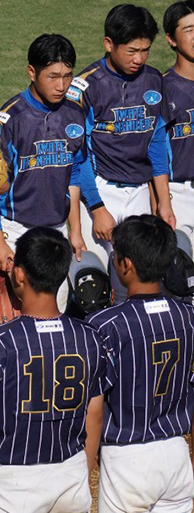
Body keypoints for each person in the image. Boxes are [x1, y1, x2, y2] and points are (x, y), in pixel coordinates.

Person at [0, 227, 110, 513]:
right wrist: (81, 474)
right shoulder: (90, 337)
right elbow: (95, 415)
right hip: (71, 472)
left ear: (19, 274)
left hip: (14, 484)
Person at [0, 33, 106, 310]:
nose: (61, 85)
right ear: (31, 72)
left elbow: (74, 173)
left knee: (55, 312)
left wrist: (74, 231)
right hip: (15, 231)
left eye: (67, 76)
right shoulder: (10, 119)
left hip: (56, 232)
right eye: (52, 76)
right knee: (12, 320)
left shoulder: (74, 113)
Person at [87, 215, 194, 512]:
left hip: (127, 459)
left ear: (127, 265)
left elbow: (93, 406)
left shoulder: (104, 324)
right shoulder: (188, 317)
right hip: (176, 454)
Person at [70, 4, 174, 304]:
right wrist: (98, 207)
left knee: (137, 287)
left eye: (145, 50)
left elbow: (156, 142)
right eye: (131, 50)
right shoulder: (86, 86)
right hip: (100, 189)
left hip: (140, 193)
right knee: (94, 290)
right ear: (108, 44)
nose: (139, 59)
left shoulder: (154, 79)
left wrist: (163, 203)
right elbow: (79, 156)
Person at [163, 0, 194, 240]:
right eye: (190, 30)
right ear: (171, 39)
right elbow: (153, 153)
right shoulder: (162, 89)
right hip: (178, 195)